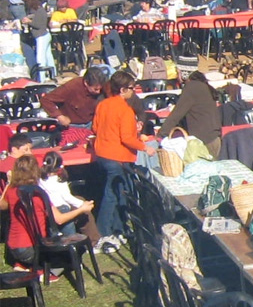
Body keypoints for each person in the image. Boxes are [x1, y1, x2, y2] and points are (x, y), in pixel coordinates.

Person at [1, 155, 93, 270]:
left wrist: (9, 183)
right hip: (32, 248)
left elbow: (2, 205)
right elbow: (59, 219)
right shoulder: (37, 193)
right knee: (67, 260)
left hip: (14, 247)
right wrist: (82, 209)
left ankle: (22, 264)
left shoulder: (12, 190)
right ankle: (44, 272)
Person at [93, 70, 147, 252]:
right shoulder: (125, 110)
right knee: (112, 195)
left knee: (117, 193)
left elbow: (95, 127)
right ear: (123, 89)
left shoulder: (103, 105)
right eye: (132, 88)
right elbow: (127, 139)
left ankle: (120, 229)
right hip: (118, 157)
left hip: (102, 154)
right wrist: (145, 147)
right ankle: (103, 234)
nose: (134, 91)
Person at [159, 72, 221, 158]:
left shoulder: (192, 87)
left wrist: (161, 133)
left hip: (203, 141)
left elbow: (177, 113)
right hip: (214, 138)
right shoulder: (205, 87)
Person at [39, 66, 107, 127]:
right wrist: (59, 116)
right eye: (95, 89)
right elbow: (46, 100)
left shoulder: (104, 88)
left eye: (100, 89)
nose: (98, 92)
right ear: (86, 83)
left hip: (93, 123)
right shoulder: (71, 87)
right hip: (73, 125)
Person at [21, 0, 53, 80]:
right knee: (48, 57)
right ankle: (53, 74)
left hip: (41, 36)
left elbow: (38, 25)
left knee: (40, 58)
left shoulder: (39, 11)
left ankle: (41, 78)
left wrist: (28, 22)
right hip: (45, 35)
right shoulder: (40, 10)